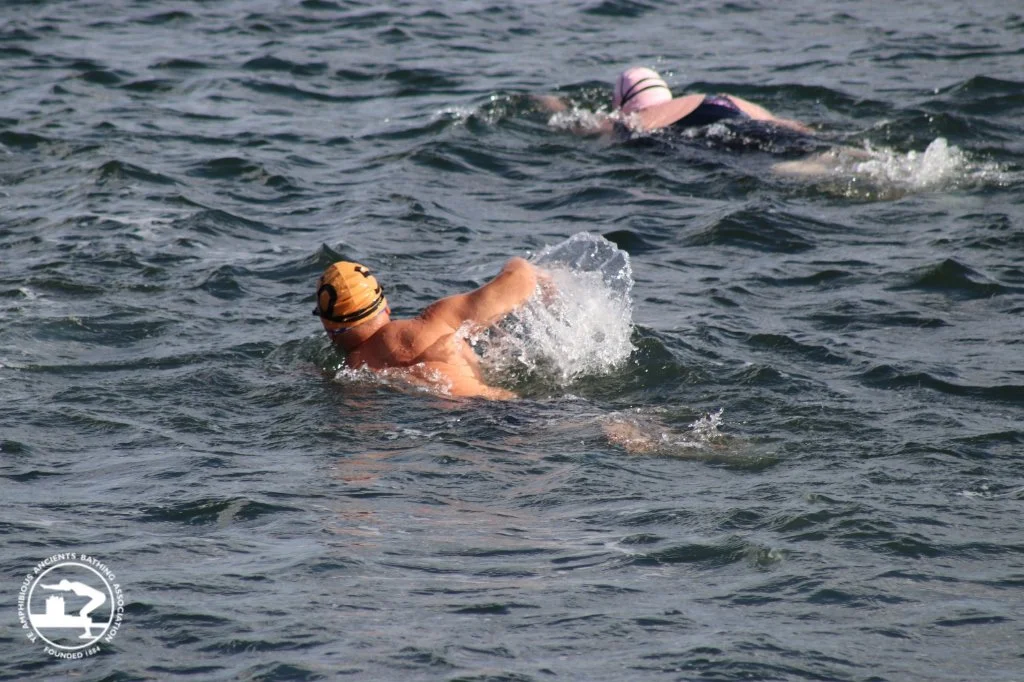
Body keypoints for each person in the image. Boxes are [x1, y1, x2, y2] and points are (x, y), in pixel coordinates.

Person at [313, 257, 545, 400]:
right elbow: (521, 278)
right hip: (512, 412)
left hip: (456, 427)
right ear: (385, 305)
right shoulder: (438, 319)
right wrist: (522, 265)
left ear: (328, 327)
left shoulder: (349, 373)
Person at [610, 65, 812, 135]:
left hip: (727, 139)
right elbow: (787, 124)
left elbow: (603, 129)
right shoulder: (722, 98)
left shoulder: (643, 118)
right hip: (754, 124)